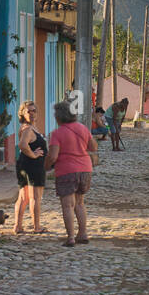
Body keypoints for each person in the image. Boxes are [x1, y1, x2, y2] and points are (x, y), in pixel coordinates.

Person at [46, 99, 97, 247]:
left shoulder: (57, 133)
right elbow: (93, 147)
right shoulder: (83, 128)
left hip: (67, 170)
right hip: (85, 169)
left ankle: (70, 237)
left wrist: (47, 166)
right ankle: (83, 233)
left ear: (58, 116)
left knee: (67, 205)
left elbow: (53, 156)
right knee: (80, 203)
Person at [14, 101, 48, 234]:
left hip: (25, 164)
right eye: (29, 111)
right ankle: (37, 226)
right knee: (35, 197)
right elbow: (22, 145)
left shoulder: (29, 127)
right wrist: (33, 155)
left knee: (24, 197)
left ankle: (18, 226)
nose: (32, 113)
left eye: (34, 110)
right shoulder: (27, 129)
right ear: (23, 113)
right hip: (32, 166)